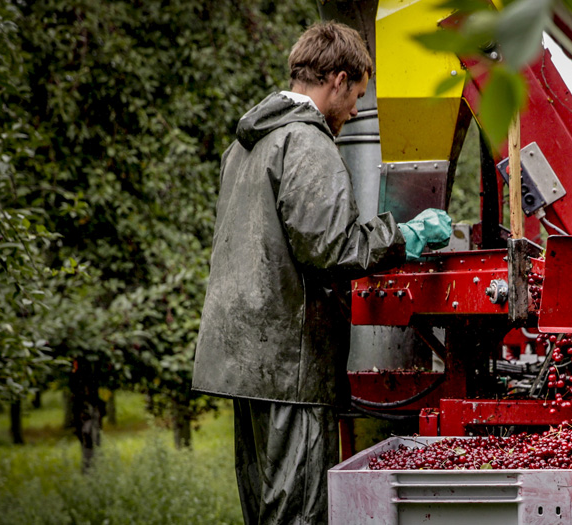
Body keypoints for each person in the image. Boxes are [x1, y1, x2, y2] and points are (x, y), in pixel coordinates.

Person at [192, 21, 452, 525]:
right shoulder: (305, 142)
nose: (356, 110)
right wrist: (408, 235)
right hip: (289, 365)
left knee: (265, 512)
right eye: (355, 95)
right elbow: (333, 248)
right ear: (336, 78)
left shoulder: (246, 146)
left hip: (246, 362)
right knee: (298, 515)